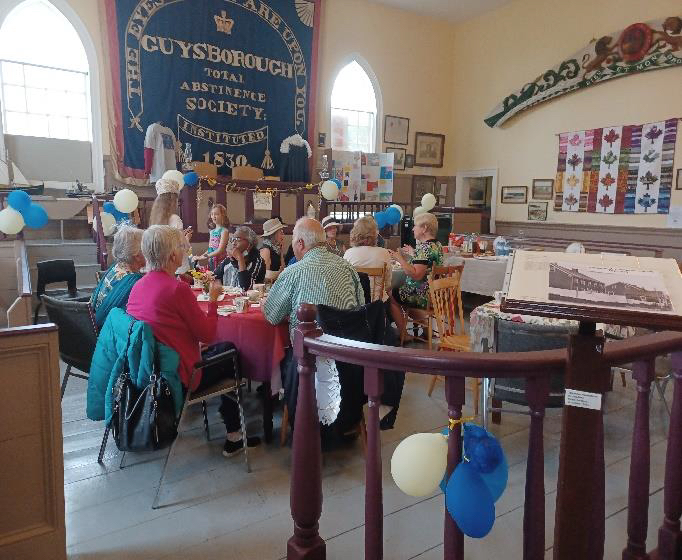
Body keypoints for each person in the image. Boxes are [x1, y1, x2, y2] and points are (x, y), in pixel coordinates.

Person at [127, 225, 259, 457]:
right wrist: (214, 300)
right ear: (172, 255)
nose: (184, 250)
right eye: (181, 246)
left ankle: (229, 426)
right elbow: (208, 334)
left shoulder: (138, 286)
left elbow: (163, 330)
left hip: (152, 372)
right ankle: (234, 434)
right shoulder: (177, 289)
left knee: (219, 349)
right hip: (182, 375)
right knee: (230, 351)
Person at [264, 218, 364, 434]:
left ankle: (302, 424)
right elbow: (360, 312)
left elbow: (271, 316)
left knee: (284, 358)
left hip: (309, 362)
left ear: (300, 243)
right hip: (348, 361)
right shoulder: (348, 269)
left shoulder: (293, 272)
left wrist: (269, 304)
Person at [388, 212, 444, 336]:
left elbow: (416, 275)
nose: (413, 228)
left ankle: (404, 335)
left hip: (422, 295)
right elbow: (427, 264)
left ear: (424, 228)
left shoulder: (424, 248)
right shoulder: (437, 245)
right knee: (402, 294)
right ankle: (425, 330)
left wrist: (400, 259)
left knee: (391, 295)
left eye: (415, 225)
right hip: (434, 293)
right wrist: (414, 254)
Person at [90, 224, 145, 330]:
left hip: (95, 328)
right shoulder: (134, 282)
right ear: (137, 255)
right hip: (110, 335)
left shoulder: (116, 268)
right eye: (146, 247)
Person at [343, 216, 392, 302]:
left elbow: (345, 283)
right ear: (374, 234)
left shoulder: (348, 253)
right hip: (378, 305)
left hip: (355, 304)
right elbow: (388, 285)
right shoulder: (384, 253)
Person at [149, 177, 192, 274]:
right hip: (178, 268)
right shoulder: (175, 219)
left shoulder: (155, 220)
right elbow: (184, 247)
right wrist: (187, 238)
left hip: (162, 267)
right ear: (172, 201)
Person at [216, 225, 266, 290]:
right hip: (227, 299)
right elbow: (214, 277)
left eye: (238, 239)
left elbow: (246, 287)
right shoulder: (228, 260)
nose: (233, 243)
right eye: (233, 239)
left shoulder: (257, 262)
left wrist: (240, 259)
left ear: (250, 244)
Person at [195, 204, 230, 271]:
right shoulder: (212, 231)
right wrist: (201, 256)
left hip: (221, 260)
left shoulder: (224, 231)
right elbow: (210, 249)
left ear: (223, 215)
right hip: (211, 260)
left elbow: (220, 250)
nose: (213, 216)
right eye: (212, 214)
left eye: (216, 214)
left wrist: (205, 257)